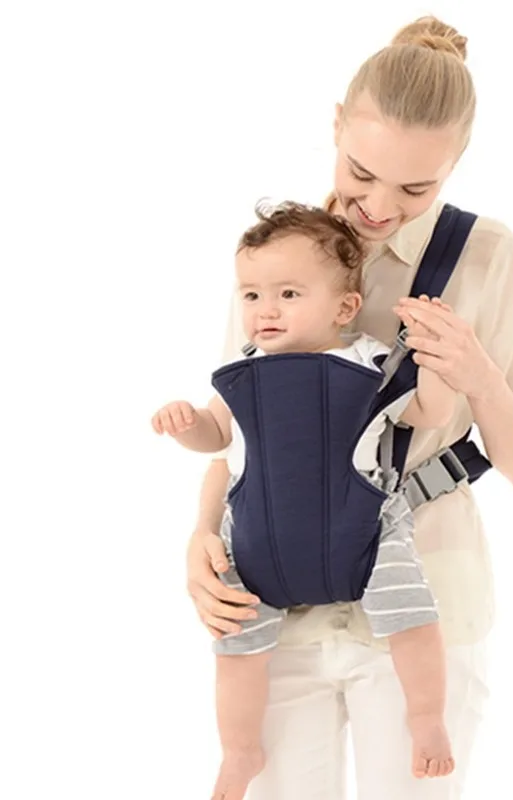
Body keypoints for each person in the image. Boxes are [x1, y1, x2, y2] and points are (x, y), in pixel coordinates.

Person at [185, 15, 513, 800]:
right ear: (336, 127)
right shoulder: (280, 256)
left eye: (416, 188)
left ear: (455, 163)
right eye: (360, 172)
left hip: (423, 599)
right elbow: (239, 436)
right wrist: (197, 544)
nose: (380, 206)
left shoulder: (487, 256)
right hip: (278, 600)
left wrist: (478, 374)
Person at [152, 201, 459, 799]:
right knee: (235, 644)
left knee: (413, 615)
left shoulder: (368, 361)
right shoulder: (244, 369)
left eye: (288, 294)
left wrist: (433, 361)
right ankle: (240, 749)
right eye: (251, 295)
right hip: (260, 541)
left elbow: (428, 413)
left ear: (344, 307)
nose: (265, 310)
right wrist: (187, 423)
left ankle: (426, 719)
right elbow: (217, 439)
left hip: (362, 531)